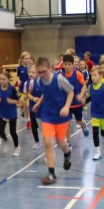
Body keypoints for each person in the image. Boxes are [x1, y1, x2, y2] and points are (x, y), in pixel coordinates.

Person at [33, 57, 74, 185]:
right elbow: (45, 94)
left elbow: (71, 92)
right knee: (48, 142)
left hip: (61, 116)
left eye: (43, 71)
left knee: (61, 142)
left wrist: (66, 106)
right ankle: (51, 174)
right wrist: (39, 103)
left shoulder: (59, 79)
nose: (41, 74)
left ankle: (67, 153)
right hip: (47, 116)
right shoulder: (39, 81)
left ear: (50, 68)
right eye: (39, 72)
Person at [85, 66, 104, 160]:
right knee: (95, 132)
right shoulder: (90, 87)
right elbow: (91, 97)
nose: (92, 77)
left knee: (103, 132)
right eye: (91, 75)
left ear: (101, 76)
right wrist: (84, 102)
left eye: (95, 75)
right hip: (94, 113)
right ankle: (97, 152)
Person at [62, 54, 89, 145]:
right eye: (65, 64)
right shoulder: (61, 76)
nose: (67, 66)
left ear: (73, 64)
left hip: (77, 103)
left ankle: (83, 125)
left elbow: (84, 86)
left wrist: (81, 95)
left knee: (79, 121)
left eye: (69, 64)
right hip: (67, 104)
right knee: (68, 123)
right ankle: (68, 142)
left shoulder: (77, 74)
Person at [0, 72, 21, 156]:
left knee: (13, 132)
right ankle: (5, 140)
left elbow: (19, 101)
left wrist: (12, 101)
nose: (1, 81)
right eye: (0, 79)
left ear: (8, 80)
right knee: (0, 131)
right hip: (2, 112)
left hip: (11, 113)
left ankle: (17, 147)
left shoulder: (12, 89)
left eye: (4, 79)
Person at [25, 65, 43, 149]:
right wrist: (33, 98)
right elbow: (28, 94)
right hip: (33, 106)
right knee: (33, 124)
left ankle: (46, 140)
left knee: (43, 125)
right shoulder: (32, 83)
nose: (31, 74)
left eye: (34, 72)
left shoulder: (44, 81)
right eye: (30, 72)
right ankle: (37, 142)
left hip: (43, 106)